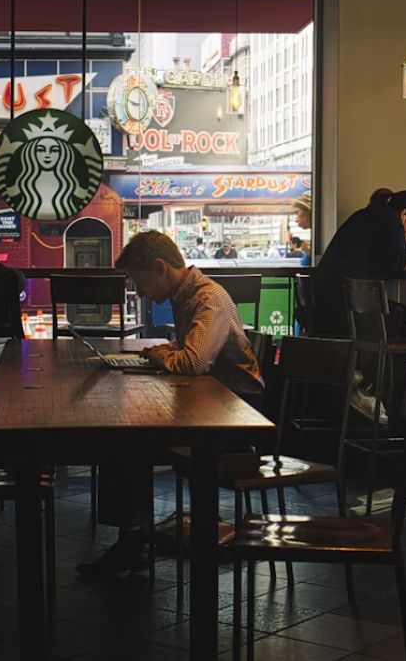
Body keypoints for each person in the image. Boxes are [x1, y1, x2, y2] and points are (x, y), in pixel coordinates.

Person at [75, 231, 262, 578]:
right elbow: (190, 353)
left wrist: (162, 352)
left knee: (127, 439)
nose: (140, 290)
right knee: (125, 437)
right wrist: (167, 352)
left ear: (160, 268)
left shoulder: (208, 299)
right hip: (214, 408)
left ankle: (132, 541)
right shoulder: (186, 295)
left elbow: (193, 362)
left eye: (139, 280)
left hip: (237, 420)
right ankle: (134, 536)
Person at [309, 189, 406, 339]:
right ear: (404, 215)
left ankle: (372, 362)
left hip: (324, 307)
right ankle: (380, 362)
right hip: (348, 313)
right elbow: (398, 261)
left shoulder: (364, 215)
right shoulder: (391, 223)